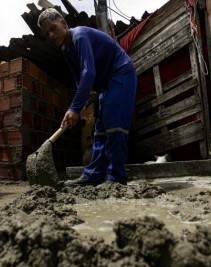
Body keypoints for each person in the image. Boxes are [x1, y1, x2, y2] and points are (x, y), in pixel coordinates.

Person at [37, 8, 137, 187]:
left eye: (53, 28)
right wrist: (85, 97)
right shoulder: (66, 49)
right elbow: (79, 78)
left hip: (121, 72)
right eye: (47, 33)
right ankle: (94, 175)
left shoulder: (79, 36)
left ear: (64, 24)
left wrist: (74, 108)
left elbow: (88, 72)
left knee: (114, 125)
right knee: (100, 130)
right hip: (105, 84)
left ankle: (116, 178)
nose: (51, 35)